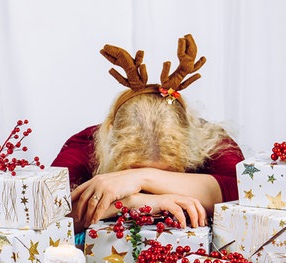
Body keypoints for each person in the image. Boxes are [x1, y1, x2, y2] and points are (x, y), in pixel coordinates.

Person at [51, 34, 244, 234]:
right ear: (109, 139)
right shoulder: (84, 144)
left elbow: (243, 191)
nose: (144, 182)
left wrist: (140, 178)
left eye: (166, 172)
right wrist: (136, 202)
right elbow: (46, 211)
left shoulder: (212, 141)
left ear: (191, 139)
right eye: (132, 169)